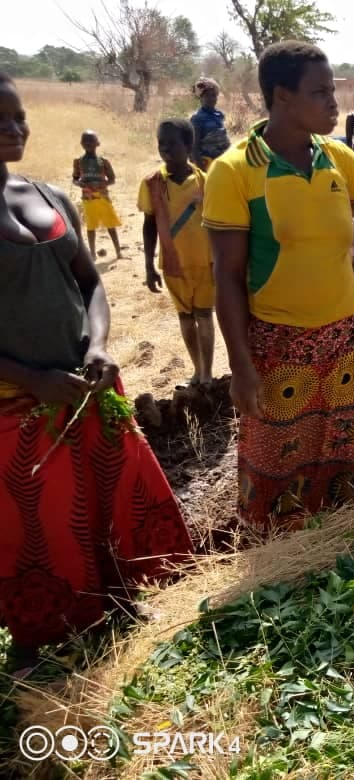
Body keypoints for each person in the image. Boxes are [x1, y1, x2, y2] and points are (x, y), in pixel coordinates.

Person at [0, 73, 193, 676]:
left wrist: (101, 346)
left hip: (85, 386)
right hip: (15, 400)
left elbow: (90, 283)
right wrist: (33, 380)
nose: (13, 129)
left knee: (106, 495)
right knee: (34, 520)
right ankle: (36, 641)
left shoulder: (50, 196)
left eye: (19, 116)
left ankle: (115, 604)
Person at [203, 41, 354, 531]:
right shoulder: (235, 171)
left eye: (333, 91)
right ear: (282, 96)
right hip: (279, 346)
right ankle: (278, 561)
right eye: (320, 92)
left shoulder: (339, 159)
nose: (334, 103)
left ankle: (347, 545)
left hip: (345, 338)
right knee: (277, 462)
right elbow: (228, 278)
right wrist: (240, 366)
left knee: (349, 454)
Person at [138, 118, 215, 388]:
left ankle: (207, 374)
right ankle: (197, 369)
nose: (165, 148)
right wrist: (148, 265)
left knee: (205, 315)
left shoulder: (205, 181)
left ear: (188, 145)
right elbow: (149, 225)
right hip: (173, 264)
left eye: (172, 143)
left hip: (205, 262)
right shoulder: (152, 184)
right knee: (185, 318)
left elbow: (216, 224)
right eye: (161, 143)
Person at [72, 129, 122, 260]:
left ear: (97, 143)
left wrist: (102, 185)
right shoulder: (78, 161)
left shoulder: (103, 161)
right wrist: (80, 184)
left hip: (103, 197)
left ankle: (118, 252)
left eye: (91, 140)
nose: (88, 143)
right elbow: (75, 179)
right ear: (81, 143)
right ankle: (93, 254)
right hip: (88, 199)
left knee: (110, 225)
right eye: (85, 141)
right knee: (91, 227)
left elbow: (112, 179)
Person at [190, 77, 231, 171]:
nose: (211, 98)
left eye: (213, 95)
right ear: (201, 98)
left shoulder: (219, 115)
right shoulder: (197, 118)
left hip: (222, 161)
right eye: (207, 96)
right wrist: (202, 171)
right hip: (207, 163)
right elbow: (194, 147)